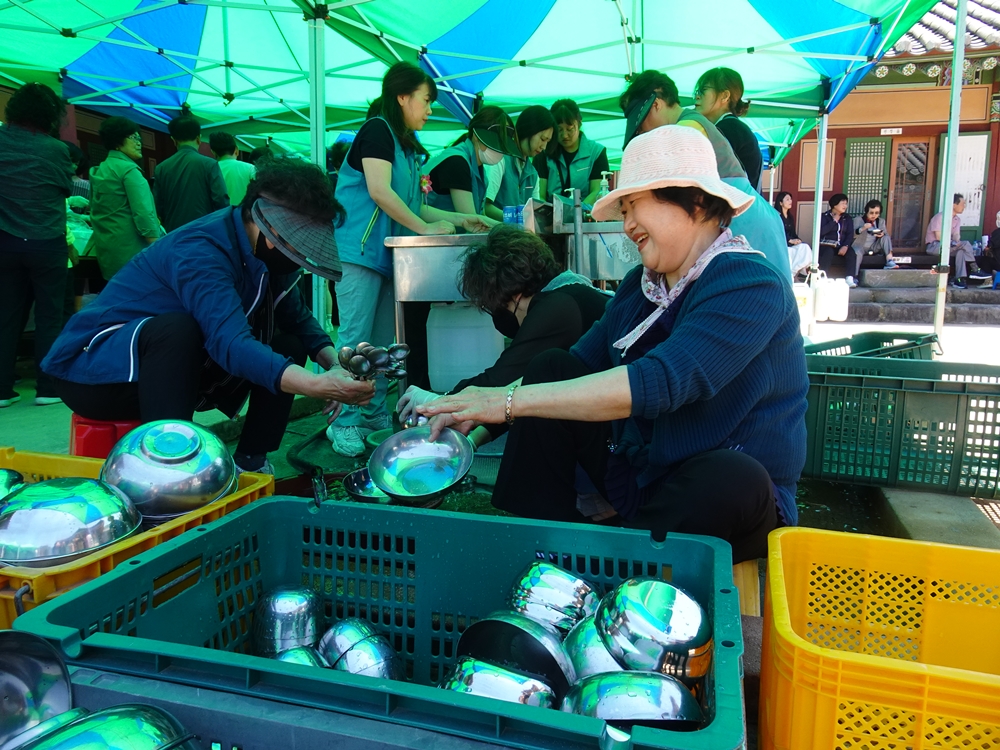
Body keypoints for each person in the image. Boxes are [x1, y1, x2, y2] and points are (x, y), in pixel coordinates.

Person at [419, 127, 808, 563]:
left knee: (734, 476)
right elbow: (575, 366)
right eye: (623, 211)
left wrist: (504, 401)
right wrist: (471, 430)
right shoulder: (637, 289)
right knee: (552, 366)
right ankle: (533, 547)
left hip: (722, 500)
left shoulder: (749, 283)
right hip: (645, 477)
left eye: (635, 206)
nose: (627, 226)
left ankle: (617, 571)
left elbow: (660, 381)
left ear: (696, 202)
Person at [42, 158, 373, 474]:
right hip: (96, 373)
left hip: (170, 370)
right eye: (298, 244)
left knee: (287, 343)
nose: (299, 257)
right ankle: (166, 465)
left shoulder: (270, 251)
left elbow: (299, 321)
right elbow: (230, 343)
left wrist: (334, 366)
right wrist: (316, 385)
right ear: (270, 225)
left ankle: (251, 461)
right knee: (178, 329)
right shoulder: (201, 249)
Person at [327, 61, 491, 457]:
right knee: (354, 344)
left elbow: (416, 204)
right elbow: (381, 192)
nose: (430, 109)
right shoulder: (377, 132)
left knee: (384, 345)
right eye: (426, 100)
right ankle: (344, 422)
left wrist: (465, 219)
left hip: (387, 258)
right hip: (359, 253)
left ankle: (372, 415)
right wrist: (422, 226)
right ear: (402, 97)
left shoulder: (410, 149)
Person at [396, 224, 610, 445]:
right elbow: (516, 394)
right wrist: (472, 440)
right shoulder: (571, 294)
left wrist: (435, 402)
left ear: (510, 295)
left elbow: (500, 380)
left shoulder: (557, 306)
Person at [620, 70, 791, 282]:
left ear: (656, 104)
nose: (641, 134)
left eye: (640, 126)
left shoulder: (687, 129)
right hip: (750, 217)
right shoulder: (694, 123)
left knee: (755, 292)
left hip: (742, 221)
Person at [0, 82, 74, 408]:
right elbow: (65, 189)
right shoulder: (56, 150)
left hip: (6, 241)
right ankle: (47, 388)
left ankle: (2, 390)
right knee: (50, 317)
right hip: (47, 242)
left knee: (6, 316)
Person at [86, 116, 161, 281]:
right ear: (117, 141)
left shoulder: (100, 169)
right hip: (132, 250)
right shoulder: (129, 171)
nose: (139, 142)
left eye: (139, 138)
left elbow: (94, 208)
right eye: (133, 138)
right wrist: (157, 246)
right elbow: (144, 213)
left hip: (107, 250)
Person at [425, 105, 519, 224]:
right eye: (494, 141)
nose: (499, 150)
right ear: (476, 136)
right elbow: (471, 219)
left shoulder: (479, 170)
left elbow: (480, 214)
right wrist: (511, 229)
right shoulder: (456, 162)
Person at [153, 114, 229, 232]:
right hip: (203, 231)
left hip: (173, 233)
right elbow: (221, 200)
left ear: (173, 140)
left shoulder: (161, 168)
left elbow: (158, 206)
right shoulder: (209, 164)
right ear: (199, 138)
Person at [693, 67, 762, 190]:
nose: (697, 96)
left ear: (725, 96)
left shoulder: (728, 129)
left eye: (703, 90)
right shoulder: (734, 127)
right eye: (697, 91)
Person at [484, 105, 555, 220]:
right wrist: (514, 220)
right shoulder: (499, 160)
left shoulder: (533, 174)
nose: (544, 146)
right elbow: (485, 207)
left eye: (547, 141)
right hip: (495, 235)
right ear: (528, 130)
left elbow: (535, 214)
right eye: (542, 139)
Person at [534, 99, 609, 205]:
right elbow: (539, 195)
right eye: (559, 130)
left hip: (584, 215)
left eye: (570, 129)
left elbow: (596, 191)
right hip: (551, 216)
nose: (564, 135)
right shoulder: (543, 152)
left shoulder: (596, 152)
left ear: (579, 123)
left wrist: (577, 212)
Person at [926, 193, 991, 288]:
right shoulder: (940, 217)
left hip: (949, 246)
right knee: (965, 244)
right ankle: (975, 269)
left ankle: (959, 279)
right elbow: (939, 237)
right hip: (935, 246)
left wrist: (957, 242)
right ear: (953, 205)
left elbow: (956, 236)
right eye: (962, 204)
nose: (964, 206)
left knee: (961, 251)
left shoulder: (957, 219)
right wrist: (954, 243)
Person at [210, 131, 256, 207]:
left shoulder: (210, 169)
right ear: (237, 150)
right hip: (244, 215)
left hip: (219, 215)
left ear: (213, 152)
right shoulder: (250, 168)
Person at [852, 199, 896, 277]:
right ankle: (854, 276)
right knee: (857, 253)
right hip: (860, 246)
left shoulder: (881, 221)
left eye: (877, 213)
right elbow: (852, 235)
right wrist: (862, 228)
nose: (874, 215)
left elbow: (885, 234)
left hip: (874, 246)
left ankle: (889, 260)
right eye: (871, 213)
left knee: (886, 237)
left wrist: (881, 234)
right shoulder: (858, 220)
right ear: (866, 212)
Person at [818, 194, 856, 284]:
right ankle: (822, 277)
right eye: (842, 203)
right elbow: (821, 231)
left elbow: (850, 234)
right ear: (835, 205)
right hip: (827, 245)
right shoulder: (824, 216)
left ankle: (850, 278)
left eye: (846, 204)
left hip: (841, 245)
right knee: (828, 252)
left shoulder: (847, 218)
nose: (845, 206)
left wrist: (846, 246)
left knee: (851, 252)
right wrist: (834, 221)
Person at [774, 191, 811, 277]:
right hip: (782, 244)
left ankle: (801, 270)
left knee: (805, 247)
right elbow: (777, 233)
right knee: (790, 253)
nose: (790, 201)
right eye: (787, 199)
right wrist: (790, 240)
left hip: (790, 244)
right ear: (780, 202)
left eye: (790, 199)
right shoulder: (776, 216)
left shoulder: (790, 217)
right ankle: (793, 273)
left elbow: (793, 233)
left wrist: (798, 240)